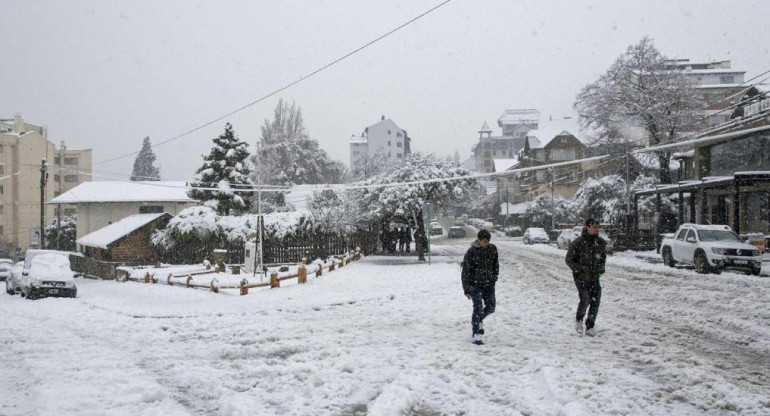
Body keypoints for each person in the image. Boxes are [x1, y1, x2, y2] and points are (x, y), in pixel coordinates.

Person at [565, 218, 607, 337]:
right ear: (587, 227)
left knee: (595, 300)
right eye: (594, 227)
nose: (597, 230)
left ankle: (590, 326)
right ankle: (579, 319)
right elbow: (568, 260)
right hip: (581, 277)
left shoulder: (600, 242)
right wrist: (580, 269)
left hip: (594, 277)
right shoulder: (578, 243)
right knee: (586, 299)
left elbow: (603, 258)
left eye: (598, 227)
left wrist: (601, 269)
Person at [461, 229, 499, 345]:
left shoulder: (493, 249)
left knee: (491, 307)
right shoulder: (472, 252)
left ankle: (477, 320)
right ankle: (476, 334)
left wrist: (494, 277)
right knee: (477, 308)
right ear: (478, 240)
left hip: (489, 284)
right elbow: (465, 271)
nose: (485, 243)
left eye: (487, 241)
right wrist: (466, 289)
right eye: (483, 241)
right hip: (475, 285)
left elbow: (495, 264)